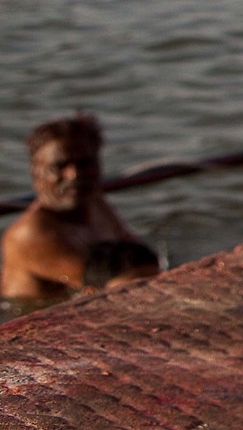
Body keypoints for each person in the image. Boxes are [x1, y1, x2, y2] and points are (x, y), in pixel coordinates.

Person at [3, 115, 159, 304]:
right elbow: (118, 287)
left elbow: (137, 256)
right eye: (59, 166)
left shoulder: (94, 202)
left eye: (84, 163)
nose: (74, 174)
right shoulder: (30, 234)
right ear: (37, 172)